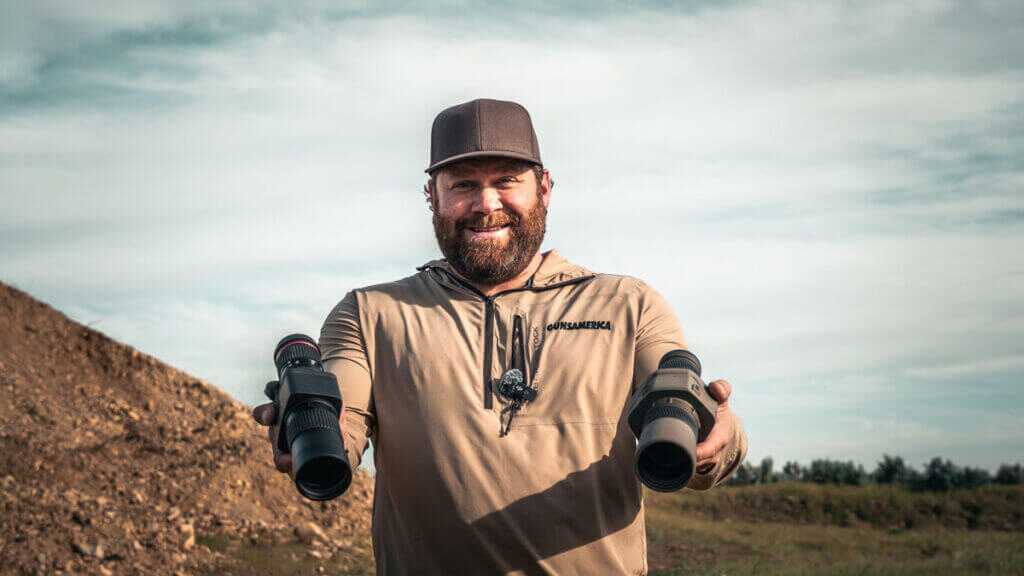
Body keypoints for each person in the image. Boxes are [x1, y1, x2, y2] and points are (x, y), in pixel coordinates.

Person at [253, 98, 748, 575]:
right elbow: (344, 421)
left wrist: (714, 438)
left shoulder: (628, 305)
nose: (486, 204)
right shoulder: (370, 314)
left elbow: (680, 399)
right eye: (463, 183)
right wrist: (308, 428)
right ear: (432, 195)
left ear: (545, 187)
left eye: (506, 181)